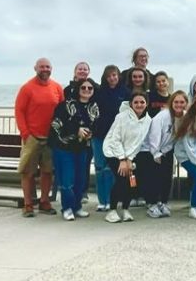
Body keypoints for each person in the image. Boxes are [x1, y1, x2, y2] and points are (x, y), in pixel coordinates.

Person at [14, 58, 64, 218]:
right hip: (32, 137)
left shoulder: (57, 87)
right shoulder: (27, 88)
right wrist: (25, 133)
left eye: (48, 66)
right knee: (28, 173)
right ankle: (28, 204)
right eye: (42, 66)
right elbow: (19, 111)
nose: (45, 69)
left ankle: (44, 202)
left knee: (47, 172)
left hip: (50, 138)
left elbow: (62, 111)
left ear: (52, 69)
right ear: (35, 68)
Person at [48, 78, 98, 220]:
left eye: (90, 88)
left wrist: (90, 133)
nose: (87, 90)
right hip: (64, 147)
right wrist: (76, 130)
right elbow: (56, 124)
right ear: (78, 89)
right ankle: (67, 208)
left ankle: (77, 207)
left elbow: (96, 124)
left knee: (80, 179)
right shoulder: (66, 105)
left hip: (82, 148)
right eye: (83, 88)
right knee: (67, 180)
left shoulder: (94, 106)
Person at [102, 93, 151, 222]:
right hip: (113, 152)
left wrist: (130, 159)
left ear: (146, 104)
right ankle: (112, 211)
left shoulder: (148, 121)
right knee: (121, 179)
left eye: (142, 102)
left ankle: (125, 209)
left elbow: (138, 143)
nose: (139, 105)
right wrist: (122, 159)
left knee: (131, 181)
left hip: (130, 155)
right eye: (136, 102)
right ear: (131, 104)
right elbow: (115, 139)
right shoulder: (121, 117)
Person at [139, 89, 188, 218]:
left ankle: (163, 202)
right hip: (150, 149)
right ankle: (152, 204)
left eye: (182, 102)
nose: (179, 105)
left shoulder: (185, 116)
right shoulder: (162, 116)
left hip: (167, 149)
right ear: (171, 103)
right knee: (153, 178)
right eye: (176, 102)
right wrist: (155, 153)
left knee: (166, 177)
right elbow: (154, 135)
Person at [91, 66, 129, 211]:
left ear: (118, 76)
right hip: (99, 135)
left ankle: (111, 200)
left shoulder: (125, 92)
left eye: (114, 75)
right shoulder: (99, 92)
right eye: (109, 76)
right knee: (100, 168)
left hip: (117, 137)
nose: (112, 78)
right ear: (105, 78)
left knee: (112, 169)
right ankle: (102, 200)